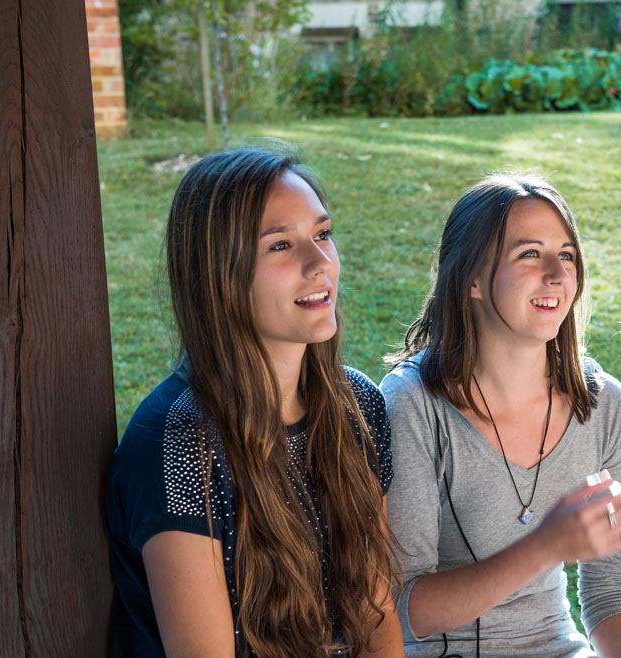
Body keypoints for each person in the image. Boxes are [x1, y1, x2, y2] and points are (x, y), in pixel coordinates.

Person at [106, 146, 404, 658]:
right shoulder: (179, 443)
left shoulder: (357, 405)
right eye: (280, 246)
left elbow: (376, 617)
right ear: (219, 274)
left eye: (323, 235)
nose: (320, 264)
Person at [382, 174, 621, 658]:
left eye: (566, 255)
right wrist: (543, 547)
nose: (557, 274)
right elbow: (404, 607)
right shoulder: (414, 404)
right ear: (472, 279)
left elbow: (610, 588)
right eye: (530, 254)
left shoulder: (603, 405)